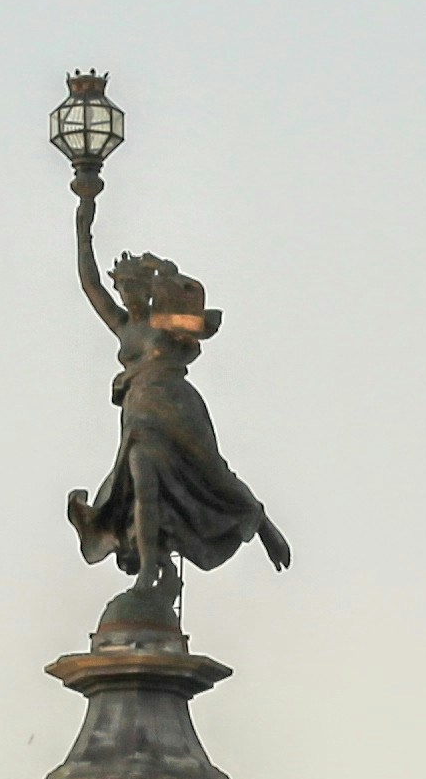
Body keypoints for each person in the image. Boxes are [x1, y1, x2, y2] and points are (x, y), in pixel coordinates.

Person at [66, 245, 293, 582]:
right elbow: (89, 283)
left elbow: (194, 304)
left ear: (148, 289)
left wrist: (165, 271)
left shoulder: (169, 319)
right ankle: (149, 569)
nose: (127, 295)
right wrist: (84, 215)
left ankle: (261, 522)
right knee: (142, 482)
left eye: (132, 286)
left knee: (213, 472)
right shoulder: (123, 326)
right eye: (122, 289)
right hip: (138, 415)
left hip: (176, 404)